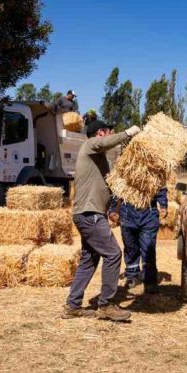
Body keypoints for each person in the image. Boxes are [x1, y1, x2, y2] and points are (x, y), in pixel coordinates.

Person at [63, 119, 141, 321]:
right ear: (100, 133)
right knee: (114, 253)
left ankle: (73, 305)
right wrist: (128, 133)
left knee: (89, 260)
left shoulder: (97, 158)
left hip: (90, 214)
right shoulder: (89, 145)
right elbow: (106, 143)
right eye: (108, 131)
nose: (110, 134)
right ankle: (106, 305)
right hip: (89, 215)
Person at [108, 188, 167, 294]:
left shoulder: (154, 171)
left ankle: (149, 279)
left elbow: (160, 186)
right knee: (130, 247)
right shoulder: (122, 172)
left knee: (148, 247)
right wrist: (113, 209)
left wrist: (163, 205)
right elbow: (116, 187)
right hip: (127, 213)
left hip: (148, 213)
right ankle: (132, 274)